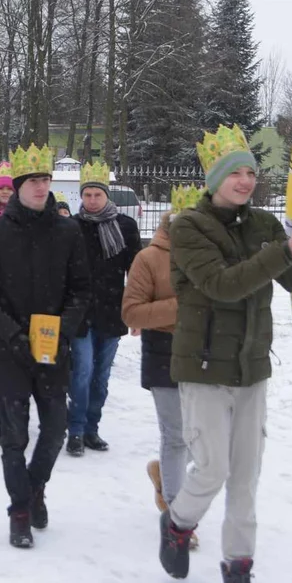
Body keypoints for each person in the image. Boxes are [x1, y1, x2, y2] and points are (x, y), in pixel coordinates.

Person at [156, 125, 292, 583]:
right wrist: (283, 250)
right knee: (212, 469)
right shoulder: (188, 227)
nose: (246, 181)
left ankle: (238, 571)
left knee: (245, 476)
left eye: (252, 173)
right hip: (204, 366)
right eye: (237, 173)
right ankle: (179, 524)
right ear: (215, 178)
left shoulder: (266, 225)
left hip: (251, 367)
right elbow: (221, 285)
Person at [0, 145, 90, 549]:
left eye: (46, 180)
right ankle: (19, 510)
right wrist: (12, 334)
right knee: (14, 438)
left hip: (53, 351)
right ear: (18, 186)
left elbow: (81, 289)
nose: (42, 187)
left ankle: (35, 487)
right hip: (9, 351)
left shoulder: (68, 230)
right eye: (34, 181)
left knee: (55, 430)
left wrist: (65, 329)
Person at [121, 186, 203, 549]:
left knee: (205, 441)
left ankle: (163, 479)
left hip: (209, 354)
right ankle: (177, 515)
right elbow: (132, 312)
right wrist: (182, 306)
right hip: (165, 352)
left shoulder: (212, 256)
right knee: (176, 436)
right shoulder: (149, 258)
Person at [64, 162, 141, 456]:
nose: (92, 200)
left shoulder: (125, 226)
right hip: (80, 312)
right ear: (81, 197)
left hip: (112, 309)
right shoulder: (70, 226)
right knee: (82, 371)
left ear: (106, 196)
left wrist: (136, 311)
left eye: (97, 194)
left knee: (101, 375)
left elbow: (135, 271)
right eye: (88, 195)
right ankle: (76, 430)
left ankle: (92, 428)